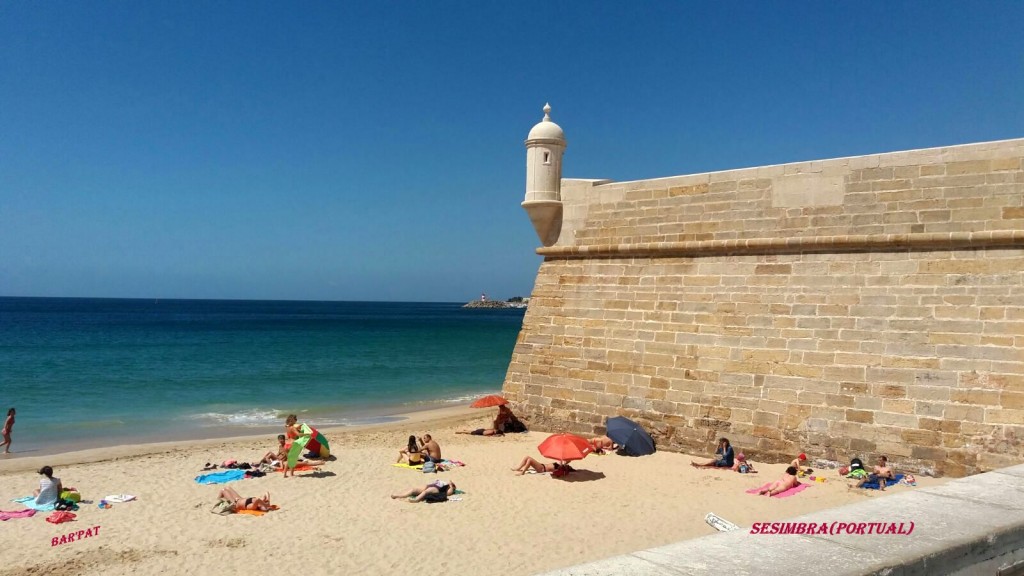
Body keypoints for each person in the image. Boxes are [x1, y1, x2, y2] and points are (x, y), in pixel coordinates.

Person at [390, 479, 457, 503]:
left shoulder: (449, 488)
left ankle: (416, 500)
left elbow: (449, 493)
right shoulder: (445, 483)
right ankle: (399, 495)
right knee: (413, 490)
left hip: (436, 489)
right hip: (431, 486)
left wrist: (451, 485)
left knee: (426, 492)